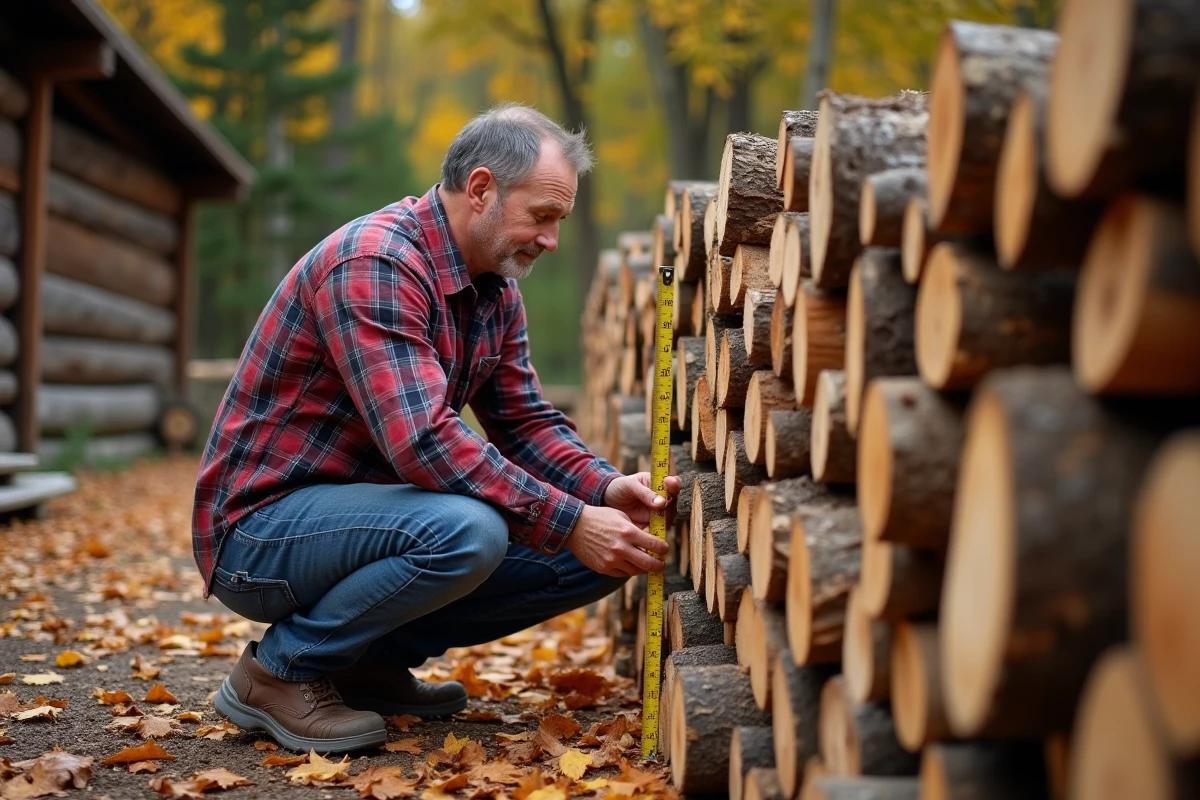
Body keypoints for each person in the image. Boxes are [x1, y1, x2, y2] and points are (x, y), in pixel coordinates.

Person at [192, 104, 680, 753]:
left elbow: (526, 422)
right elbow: (422, 441)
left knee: (607, 551)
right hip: (259, 532)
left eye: (559, 219)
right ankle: (280, 672)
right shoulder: (377, 262)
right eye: (543, 215)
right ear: (481, 189)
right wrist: (567, 520)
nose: (553, 239)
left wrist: (603, 490)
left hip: (372, 523)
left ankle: (362, 662)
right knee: (468, 531)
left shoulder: (495, 290)